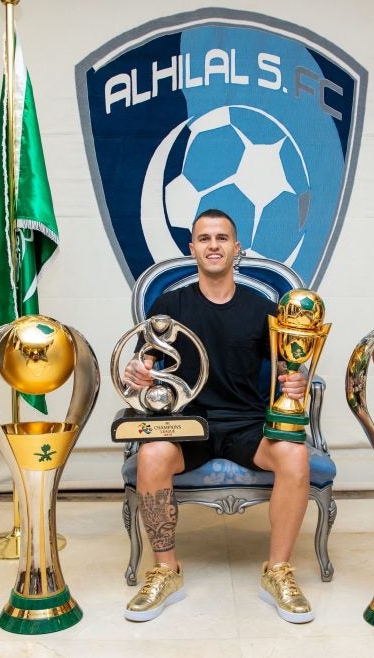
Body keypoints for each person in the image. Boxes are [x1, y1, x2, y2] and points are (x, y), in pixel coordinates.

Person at [123, 209, 312, 624]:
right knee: (152, 455)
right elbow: (144, 363)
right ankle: (166, 572)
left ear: (236, 248)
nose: (213, 245)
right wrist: (138, 372)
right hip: (187, 422)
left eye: (222, 238)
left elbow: (287, 369)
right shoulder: (169, 305)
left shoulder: (263, 309)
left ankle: (278, 571)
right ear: (192, 248)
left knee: (295, 455)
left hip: (247, 423)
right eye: (205, 238)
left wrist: (295, 382)